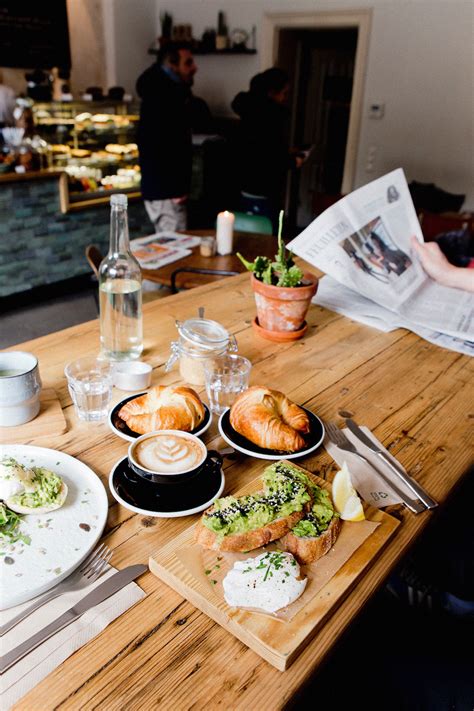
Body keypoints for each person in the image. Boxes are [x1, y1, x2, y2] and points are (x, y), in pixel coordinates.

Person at [231, 68, 303, 231]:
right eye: (284, 93)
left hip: (245, 182)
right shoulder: (270, 117)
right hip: (261, 186)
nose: (285, 98)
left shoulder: (249, 113)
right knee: (265, 231)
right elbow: (270, 157)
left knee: (250, 231)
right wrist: (293, 161)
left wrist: (286, 152)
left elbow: (262, 148)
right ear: (271, 93)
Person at [136, 42, 197, 232]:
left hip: (164, 190)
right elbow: (162, 146)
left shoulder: (167, 92)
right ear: (172, 64)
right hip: (166, 191)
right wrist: (176, 189)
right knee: (175, 247)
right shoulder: (163, 98)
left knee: (172, 246)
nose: (195, 68)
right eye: (188, 63)